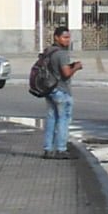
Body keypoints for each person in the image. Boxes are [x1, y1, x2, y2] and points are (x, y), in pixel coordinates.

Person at [40, 25, 82, 157]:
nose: (67, 40)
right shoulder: (62, 54)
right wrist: (76, 67)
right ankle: (61, 149)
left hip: (50, 89)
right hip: (61, 91)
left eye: (68, 37)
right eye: (64, 37)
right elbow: (66, 73)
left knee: (51, 118)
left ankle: (48, 149)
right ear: (56, 37)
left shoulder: (49, 51)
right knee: (63, 119)